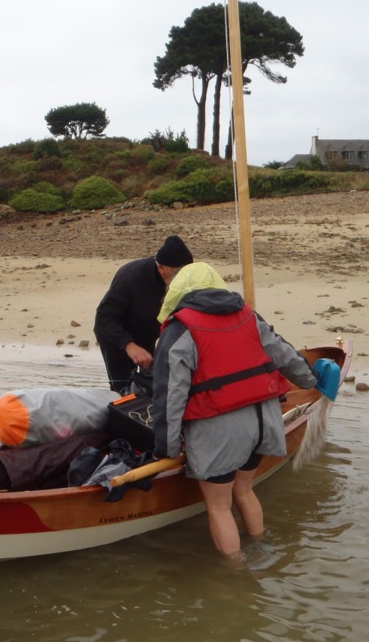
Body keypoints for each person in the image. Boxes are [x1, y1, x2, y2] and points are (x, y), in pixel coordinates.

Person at [151, 262, 333, 559]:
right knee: (245, 490)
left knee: (219, 506)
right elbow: (284, 354)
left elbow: (170, 396)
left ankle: (236, 576)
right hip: (263, 422)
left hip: (220, 431)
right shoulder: (248, 315)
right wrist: (311, 380)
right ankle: (261, 548)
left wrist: (168, 448)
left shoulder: (179, 329)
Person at [93, 235, 193, 393]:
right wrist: (130, 346)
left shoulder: (186, 282)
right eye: (176, 272)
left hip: (148, 335)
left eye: (185, 272)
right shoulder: (131, 276)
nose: (181, 277)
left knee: (153, 388)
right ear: (161, 268)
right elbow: (103, 320)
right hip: (116, 338)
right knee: (122, 393)